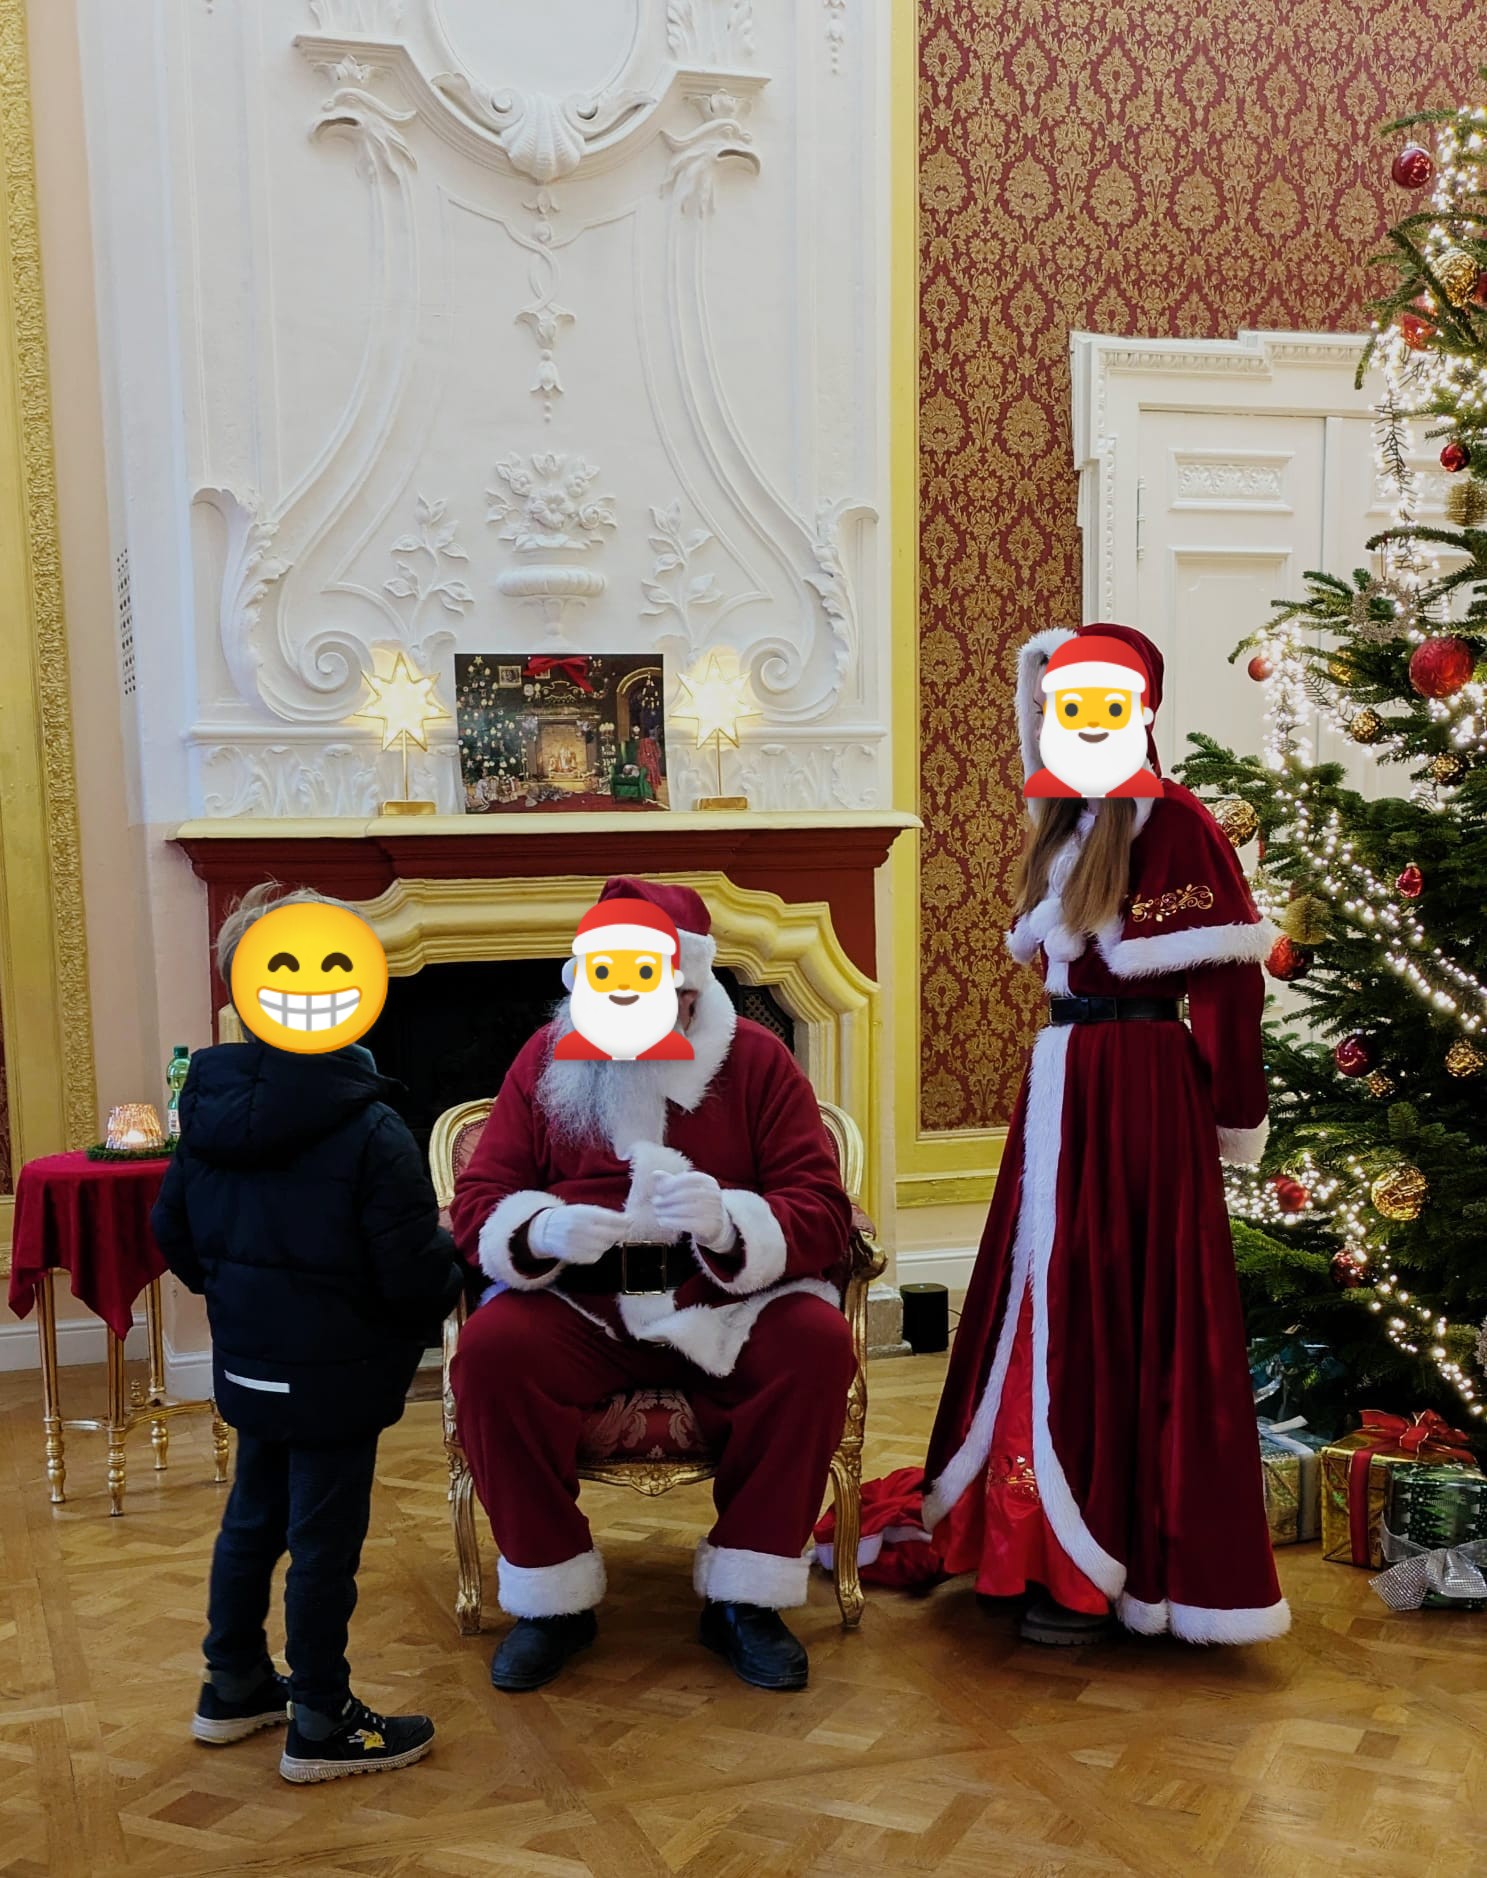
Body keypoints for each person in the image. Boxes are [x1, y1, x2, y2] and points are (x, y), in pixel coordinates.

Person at [837, 624, 1288, 1646]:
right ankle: (1021, 1540)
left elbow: (1228, 991)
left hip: (1139, 1093)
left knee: (1108, 1307)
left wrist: (1229, 1122)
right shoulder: (1068, 822)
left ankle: (1098, 1564)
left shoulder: (1177, 823)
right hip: (1062, 1084)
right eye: (1056, 709)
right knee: (1039, 1302)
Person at [449, 876, 855, 1693]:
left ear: (687, 985)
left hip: (725, 1300)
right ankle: (553, 1600)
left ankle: (744, 1599)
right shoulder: (545, 1058)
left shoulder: (757, 1060)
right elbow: (479, 1200)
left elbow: (821, 1209)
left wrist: (728, 1222)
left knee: (814, 1345)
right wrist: (539, 1229)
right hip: (581, 1305)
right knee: (491, 1353)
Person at [151, 884, 465, 1781]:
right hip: (338, 1372)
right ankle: (321, 1720)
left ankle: (233, 1684)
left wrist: (240, 1303)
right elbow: (409, 1273)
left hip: (251, 1361)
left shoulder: (206, 1110)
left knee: (251, 1518)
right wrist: (451, 1266)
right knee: (325, 1539)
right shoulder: (371, 1127)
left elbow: (172, 1232)